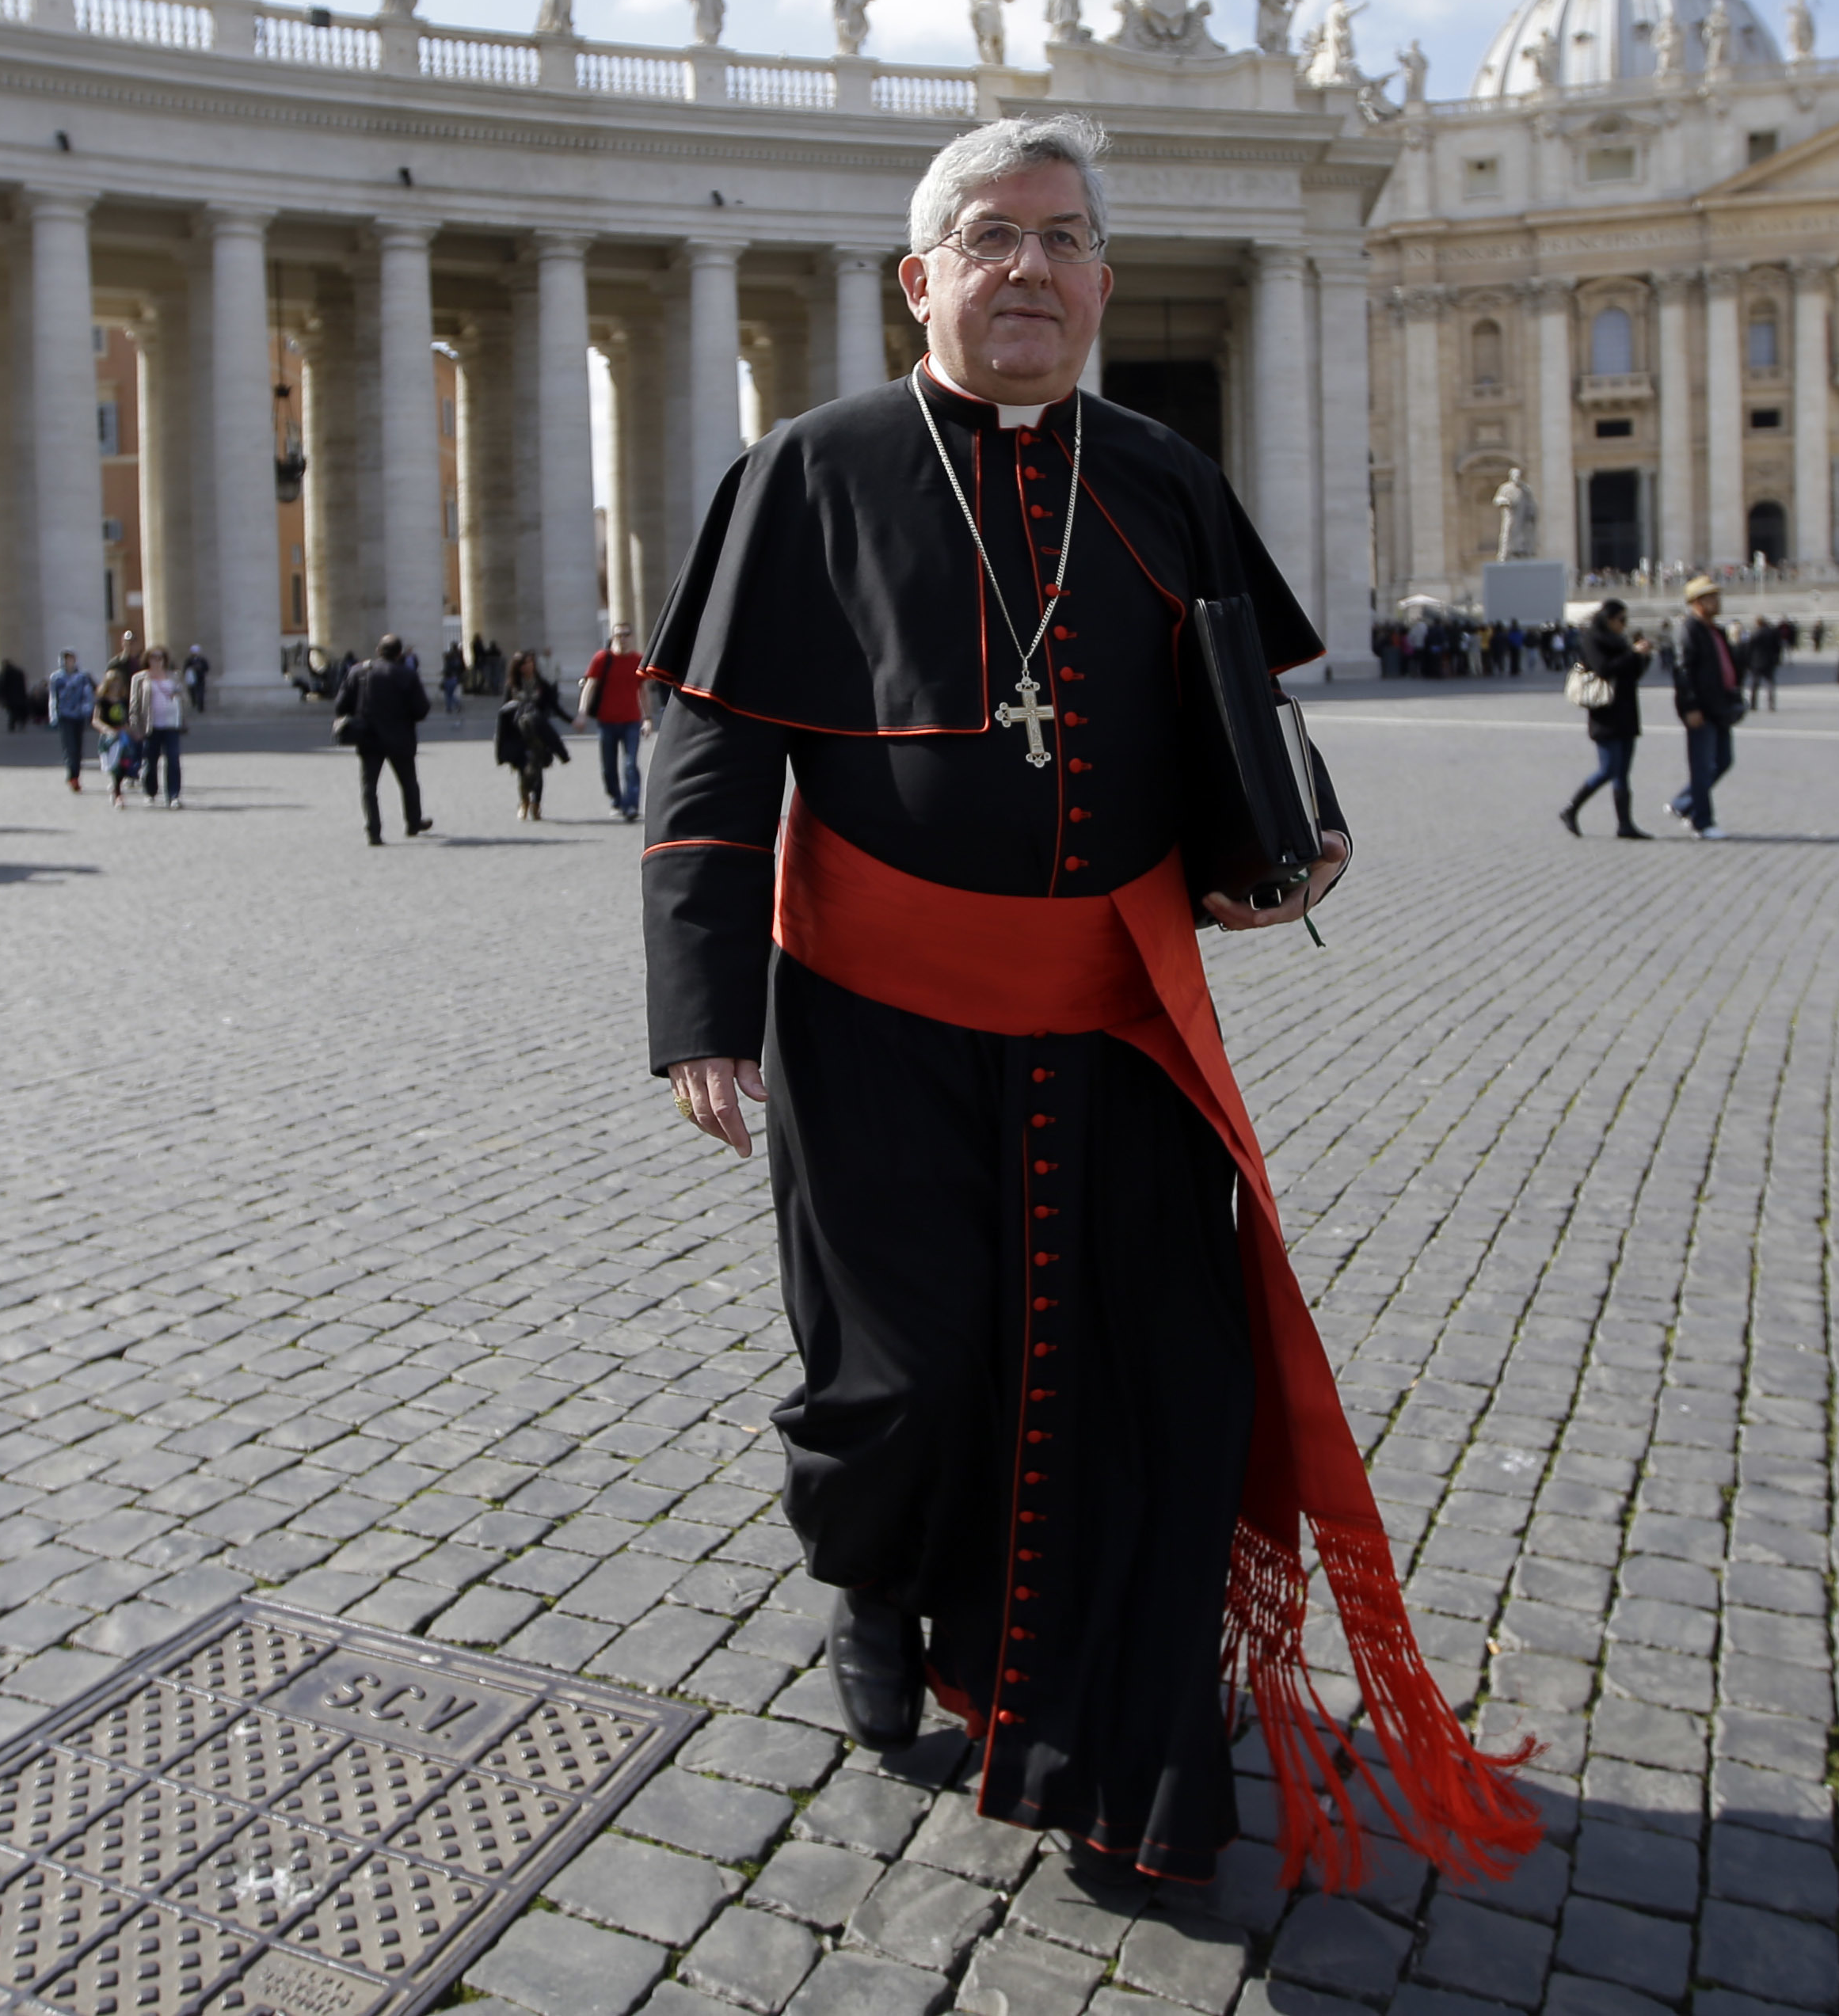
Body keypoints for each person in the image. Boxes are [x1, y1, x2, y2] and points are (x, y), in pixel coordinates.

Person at [642, 112, 1525, 1892]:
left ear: (1104, 285)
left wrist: (1293, 843)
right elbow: (716, 749)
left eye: (1059, 239)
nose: (1028, 267)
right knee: (900, 1380)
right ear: (923, 278)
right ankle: (880, 1580)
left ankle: (1122, 1714)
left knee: (1149, 1370)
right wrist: (699, 1006)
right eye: (990, 236)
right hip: (876, 1018)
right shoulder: (803, 475)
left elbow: (1241, 715)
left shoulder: (1165, 475)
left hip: (1117, 1020)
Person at [1559, 598, 1651, 839]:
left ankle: (1625, 824)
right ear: (1609, 619)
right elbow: (1604, 669)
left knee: (1623, 773)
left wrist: (1644, 656)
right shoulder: (1593, 639)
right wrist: (1632, 653)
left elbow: (1633, 672)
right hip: (1605, 713)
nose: (1624, 624)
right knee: (1609, 769)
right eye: (1622, 620)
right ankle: (1572, 808)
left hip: (1627, 711)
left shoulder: (1620, 640)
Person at [1666, 578, 1743, 837]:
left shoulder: (1716, 630)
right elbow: (1683, 670)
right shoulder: (1689, 629)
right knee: (1701, 766)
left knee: (1723, 761)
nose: (1717, 601)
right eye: (1711, 597)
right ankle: (1702, 822)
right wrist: (1690, 706)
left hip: (1719, 706)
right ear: (1697, 603)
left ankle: (1683, 804)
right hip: (1701, 707)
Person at [337, 633, 432, 843]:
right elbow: (422, 709)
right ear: (399, 654)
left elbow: (341, 706)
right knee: (408, 782)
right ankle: (413, 823)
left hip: (368, 736)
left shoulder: (358, 672)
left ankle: (374, 830)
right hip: (400, 737)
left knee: (369, 786)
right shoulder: (407, 675)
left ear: (378, 651)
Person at [581, 622, 651, 822]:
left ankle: (631, 805)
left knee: (631, 764)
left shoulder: (638, 660)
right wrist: (582, 712)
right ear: (613, 637)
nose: (623, 638)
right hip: (607, 721)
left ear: (632, 637)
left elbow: (644, 692)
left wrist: (647, 718)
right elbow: (590, 686)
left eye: (626, 634)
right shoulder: (602, 659)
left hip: (631, 721)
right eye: (619, 635)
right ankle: (616, 799)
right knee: (608, 767)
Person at [497, 649, 569, 818]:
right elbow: (504, 711)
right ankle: (524, 800)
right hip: (518, 735)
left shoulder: (542, 685)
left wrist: (571, 720)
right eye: (525, 663)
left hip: (538, 734)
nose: (529, 666)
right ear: (519, 667)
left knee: (537, 768)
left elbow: (554, 706)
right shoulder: (512, 687)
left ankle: (536, 803)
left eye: (531, 662)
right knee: (524, 770)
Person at [128, 644, 189, 808]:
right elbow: (134, 704)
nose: (157, 661)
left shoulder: (174, 676)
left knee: (174, 760)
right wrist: (135, 727)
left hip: (171, 724)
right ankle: (150, 793)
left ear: (165, 660)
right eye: (153, 657)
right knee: (150, 760)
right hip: (150, 725)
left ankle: (174, 795)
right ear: (147, 659)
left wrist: (178, 695)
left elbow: (185, 698)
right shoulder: (140, 678)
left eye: (160, 657)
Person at [50, 649, 97, 789]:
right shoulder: (57, 677)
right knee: (69, 747)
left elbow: (88, 694)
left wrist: (88, 711)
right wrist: (53, 715)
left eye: (71, 659)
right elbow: (53, 697)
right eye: (66, 659)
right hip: (65, 716)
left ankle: (76, 773)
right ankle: (72, 776)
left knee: (78, 747)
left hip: (79, 715)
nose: (68, 662)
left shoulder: (82, 677)